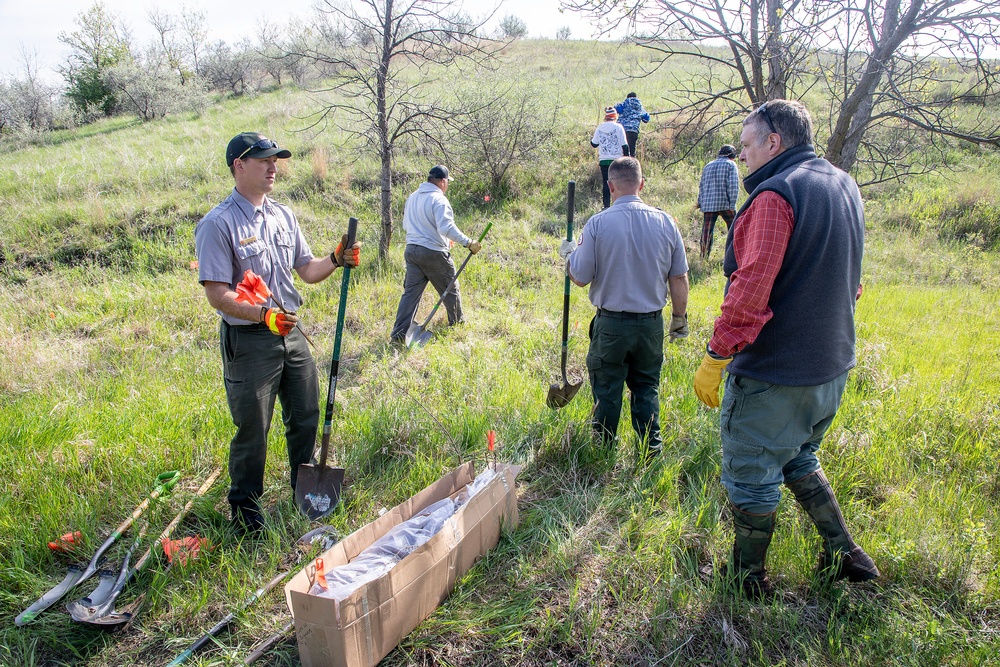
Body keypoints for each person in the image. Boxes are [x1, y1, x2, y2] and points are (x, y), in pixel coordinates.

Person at [692, 100, 879, 599]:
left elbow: (750, 290)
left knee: (752, 474)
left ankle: (746, 580)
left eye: (748, 145)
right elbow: (853, 281)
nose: (744, 157)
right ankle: (846, 554)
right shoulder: (843, 184)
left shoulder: (776, 195)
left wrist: (716, 355)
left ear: (774, 142)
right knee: (798, 456)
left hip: (777, 373)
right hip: (832, 365)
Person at [195, 132, 361, 533]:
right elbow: (218, 295)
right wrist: (262, 316)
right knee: (253, 426)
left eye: (276, 160)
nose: (273, 167)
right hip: (250, 340)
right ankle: (246, 514)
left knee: (305, 416)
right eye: (264, 160)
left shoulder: (283, 215)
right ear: (239, 165)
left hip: (292, 332)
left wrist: (336, 259)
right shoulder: (218, 224)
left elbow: (307, 269)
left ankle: (302, 493)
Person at [562, 157, 690, 457]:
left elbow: (579, 278)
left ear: (610, 186)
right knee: (646, 387)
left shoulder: (598, 223)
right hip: (651, 325)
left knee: (607, 389)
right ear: (641, 184)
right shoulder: (666, 222)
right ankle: (650, 451)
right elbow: (680, 276)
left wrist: (569, 256)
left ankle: (604, 451)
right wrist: (679, 319)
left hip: (612, 325)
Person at [390, 165, 482, 344]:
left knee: (410, 295)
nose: (447, 185)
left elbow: (408, 226)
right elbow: (446, 227)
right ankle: (457, 326)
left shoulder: (413, 197)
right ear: (442, 181)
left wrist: (445, 241)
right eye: (447, 182)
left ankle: (398, 335)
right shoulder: (439, 199)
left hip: (411, 251)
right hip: (432, 253)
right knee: (451, 289)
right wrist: (468, 242)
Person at [697, 144, 740, 259]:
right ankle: (735, 256)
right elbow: (733, 186)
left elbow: (701, 185)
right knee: (736, 230)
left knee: (706, 233)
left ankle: (703, 257)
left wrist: (700, 201)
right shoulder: (731, 165)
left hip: (709, 204)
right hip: (725, 203)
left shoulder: (708, 165)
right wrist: (732, 204)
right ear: (731, 155)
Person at [591, 107, 629, 209]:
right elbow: (625, 145)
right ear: (615, 117)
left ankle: (606, 205)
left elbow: (593, 144)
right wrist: (627, 159)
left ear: (606, 117)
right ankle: (618, 204)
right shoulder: (619, 127)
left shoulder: (600, 127)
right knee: (618, 183)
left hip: (603, 160)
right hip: (617, 160)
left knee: (606, 183)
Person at [614, 92, 651, 157]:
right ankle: (632, 164)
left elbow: (616, 109)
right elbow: (646, 119)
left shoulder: (624, 104)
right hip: (633, 130)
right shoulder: (639, 107)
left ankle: (622, 164)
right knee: (632, 150)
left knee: (622, 150)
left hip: (622, 130)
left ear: (627, 97)